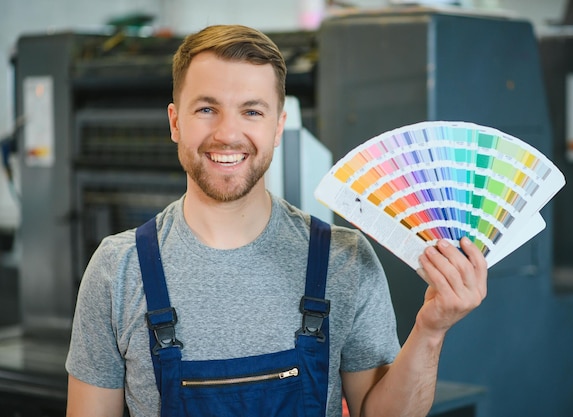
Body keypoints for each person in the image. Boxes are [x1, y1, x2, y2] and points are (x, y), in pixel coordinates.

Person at [65, 24, 487, 417]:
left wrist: (431, 330)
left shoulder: (344, 260)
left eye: (252, 112)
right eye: (207, 108)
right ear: (175, 122)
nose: (228, 134)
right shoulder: (117, 269)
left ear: (279, 126)